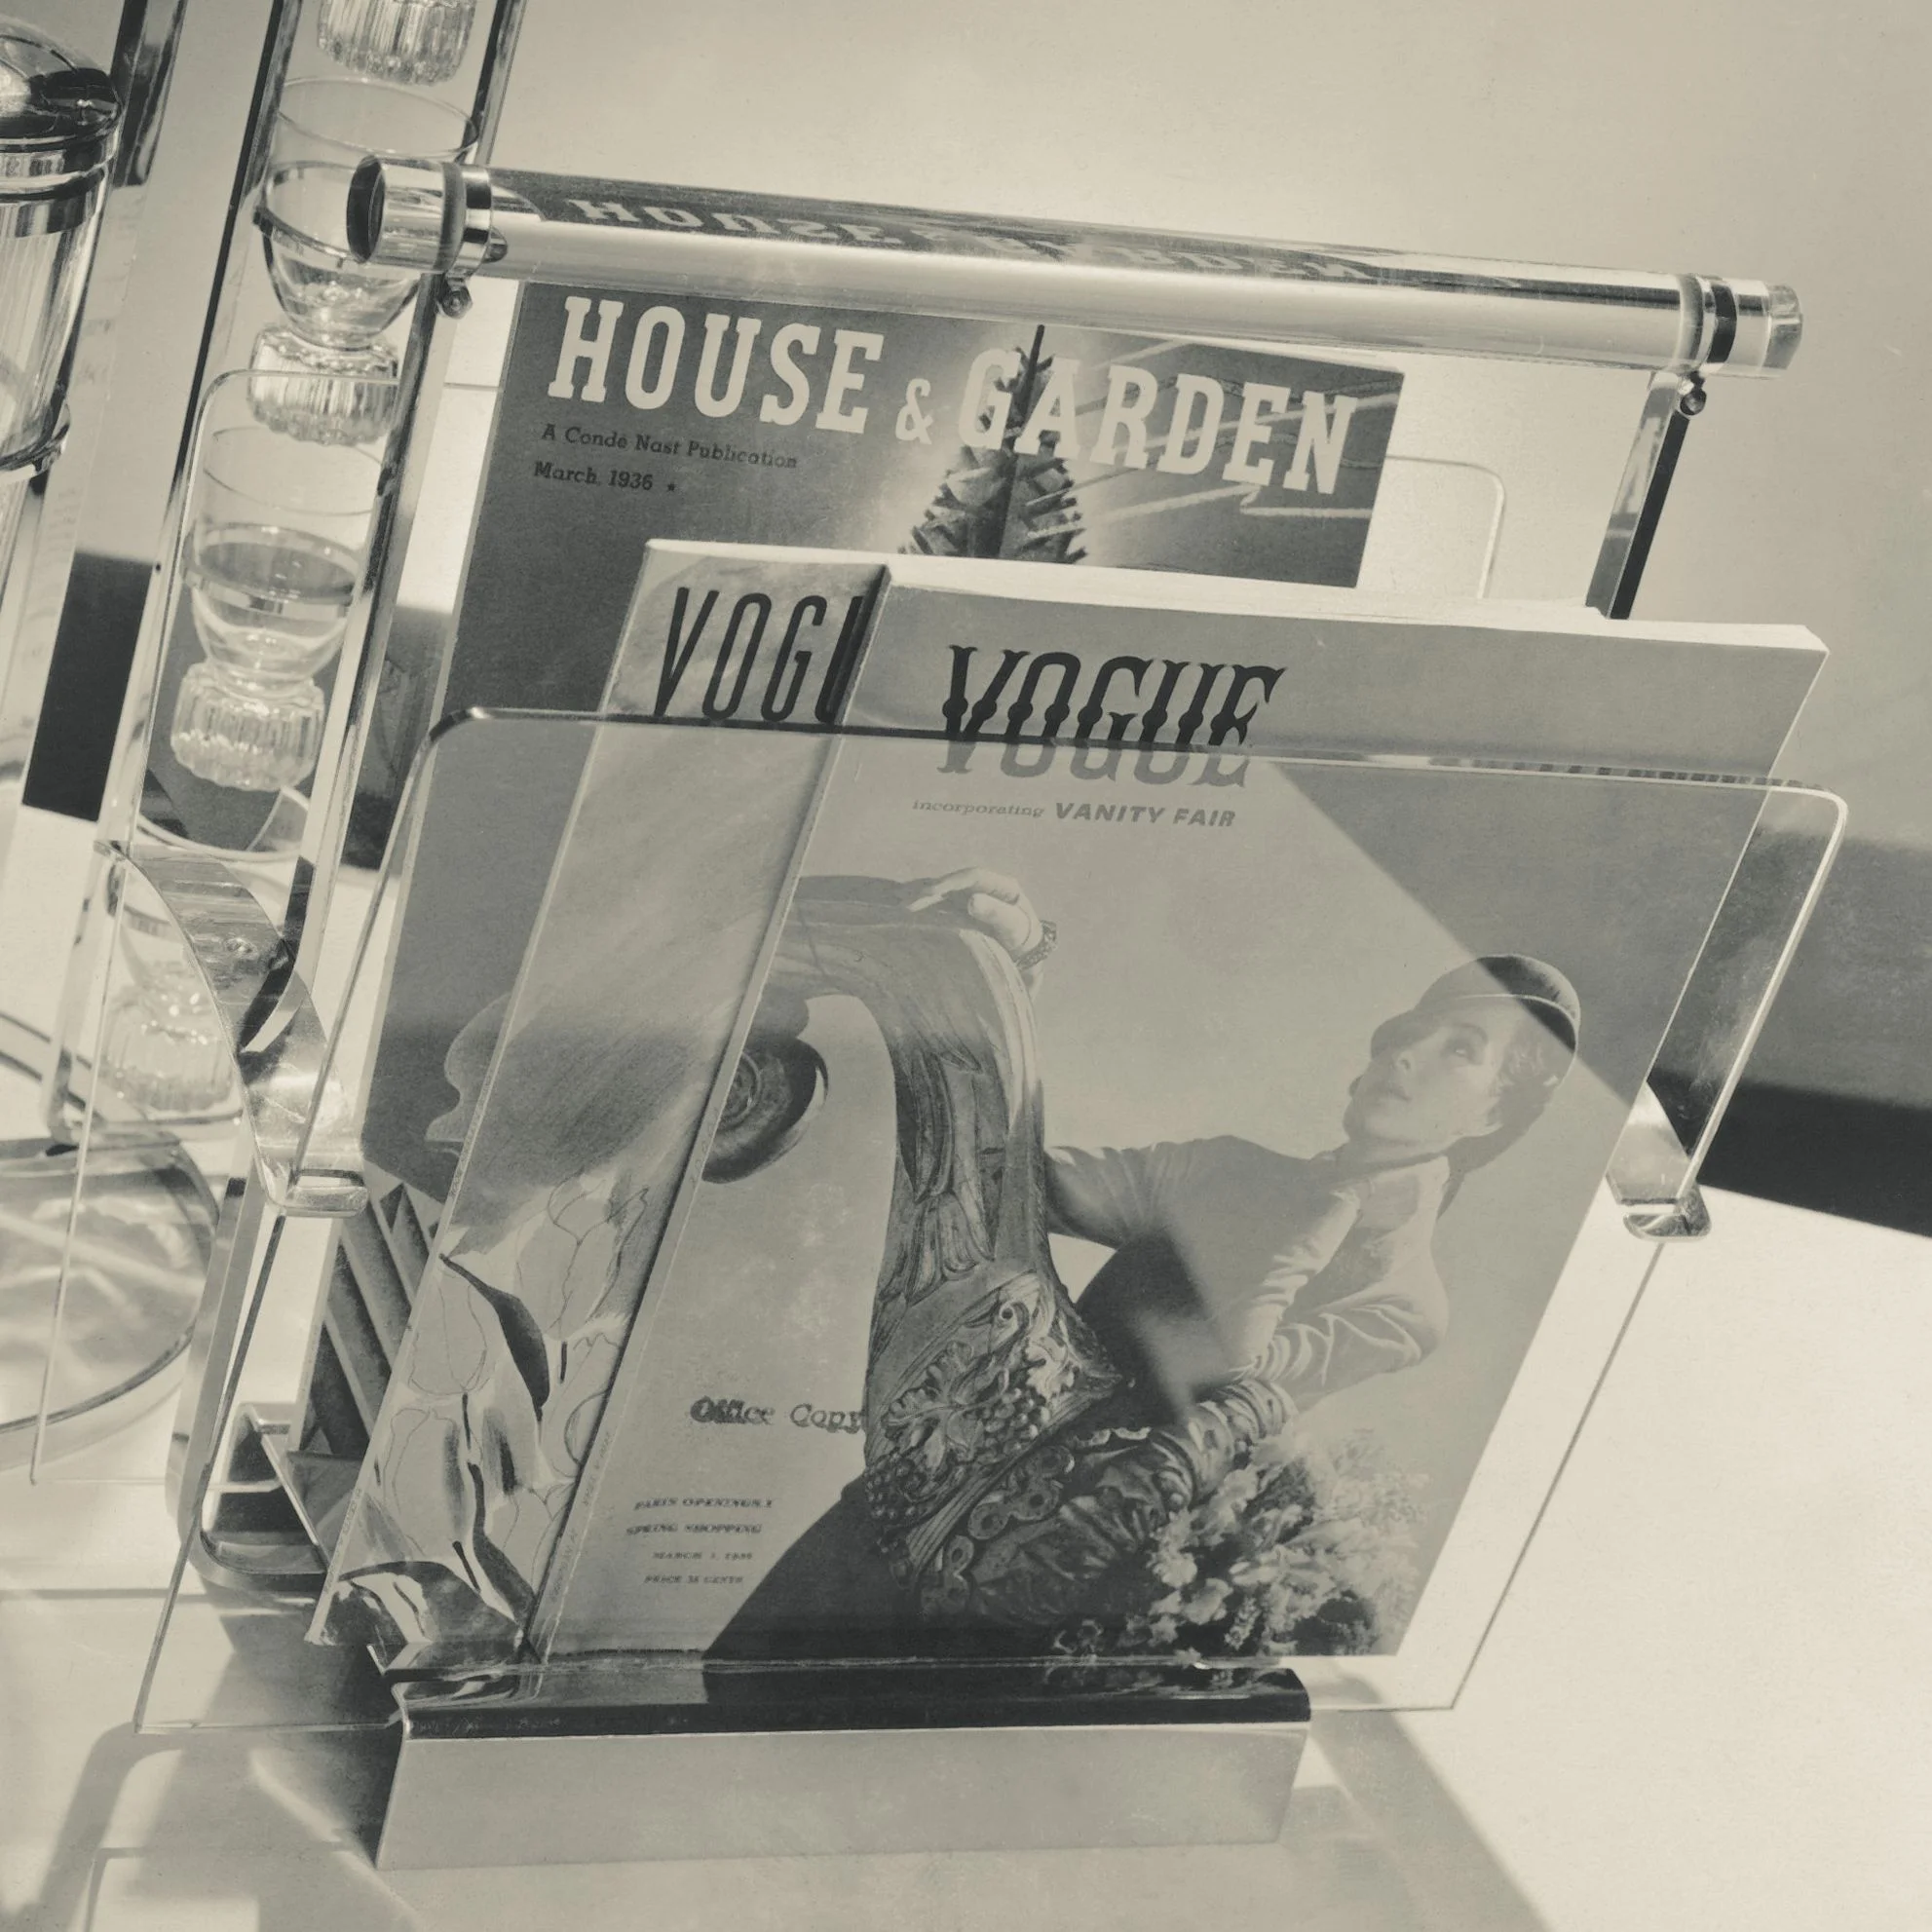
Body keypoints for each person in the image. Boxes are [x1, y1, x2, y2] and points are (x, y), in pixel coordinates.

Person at [905, 867, 1581, 1421]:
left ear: (1494, 1114)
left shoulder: (1405, 1306)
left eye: (1460, 1049)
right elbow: (995, 1182)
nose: (1405, 1055)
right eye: (1407, 1035)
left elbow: (1222, 1379)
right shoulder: (1225, 1166)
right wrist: (1009, 974)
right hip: (932, 1478)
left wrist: (1330, 1207)